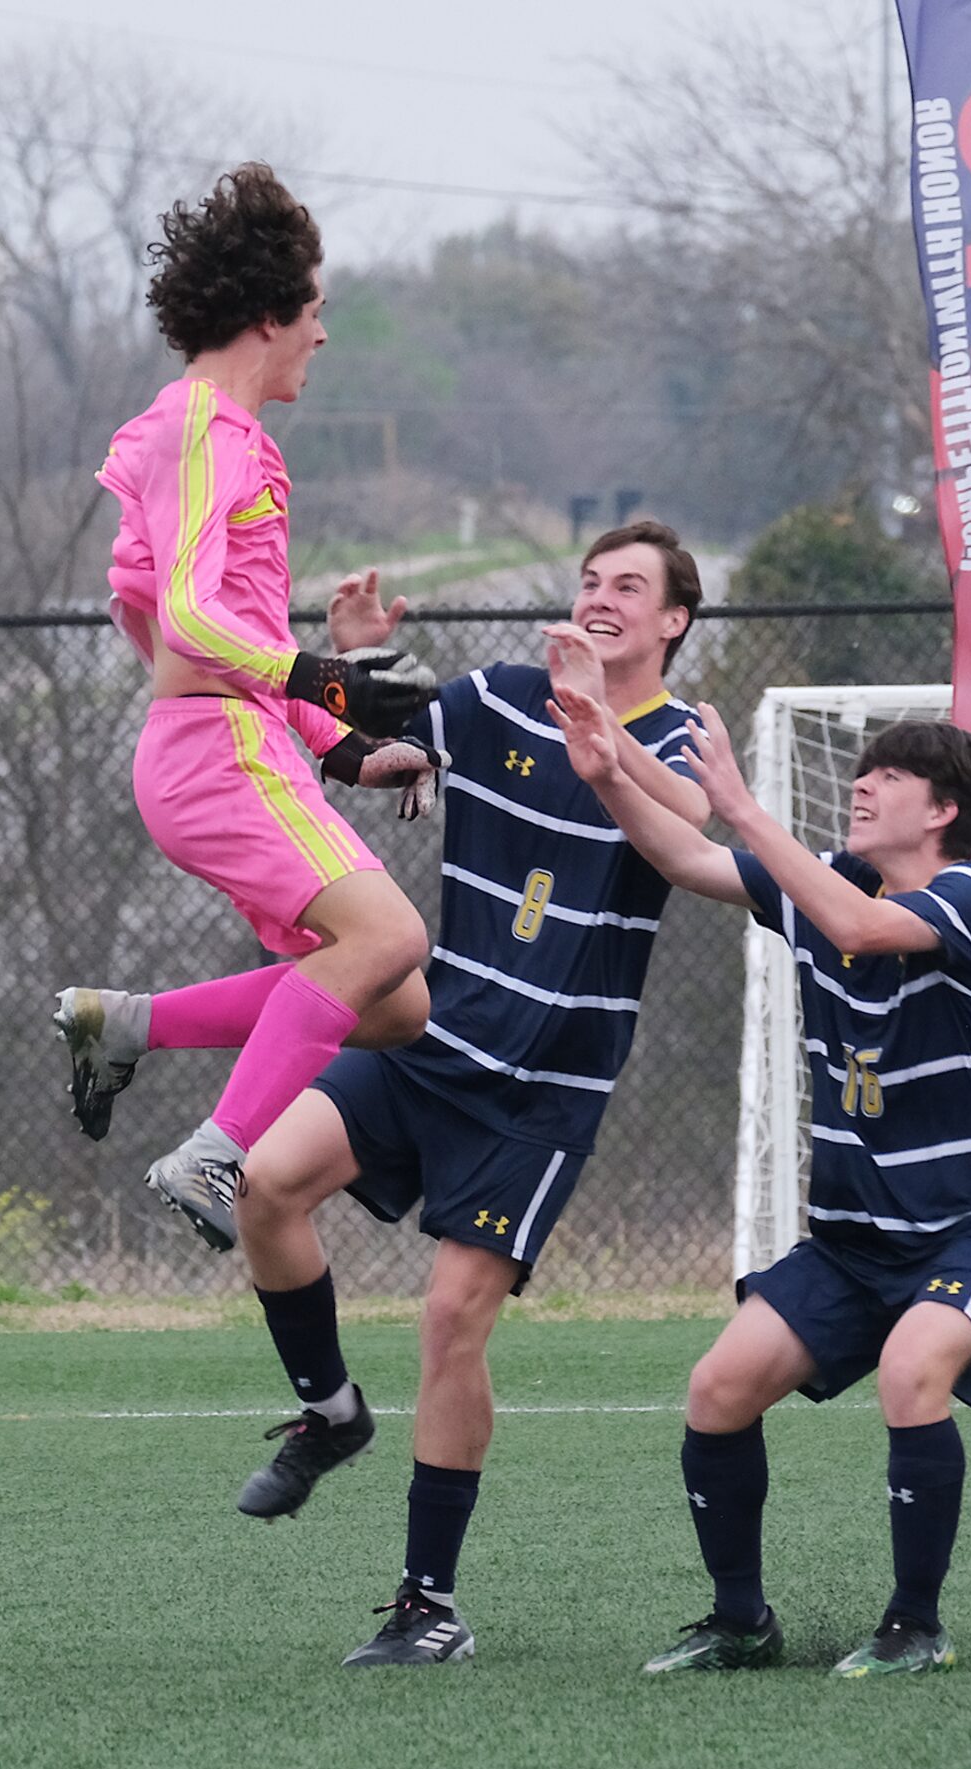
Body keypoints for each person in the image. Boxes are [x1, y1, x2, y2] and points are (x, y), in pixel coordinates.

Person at [195, 522, 707, 1668]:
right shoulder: (497, 695)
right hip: (431, 1030)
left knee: (450, 1320)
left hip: (544, 1090)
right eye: (590, 581)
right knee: (264, 1184)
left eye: (631, 586)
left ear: (674, 620)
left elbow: (693, 832)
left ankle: (428, 1604)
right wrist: (340, 663)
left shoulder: (681, 737)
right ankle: (329, 1413)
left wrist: (603, 742)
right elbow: (348, 749)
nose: (602, 596)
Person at [548, 682, 971, 1678]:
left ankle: (916, 1626)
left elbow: (860, 929)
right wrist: (608, 774)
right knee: (719, 1388)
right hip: (856, 1239)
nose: (862, 786)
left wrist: (741, 805)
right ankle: (742, 1621)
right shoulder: (825, 885)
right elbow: (688, 858)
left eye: (890, 775)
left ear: (943, 812)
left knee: (915, 1372)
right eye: (863, 771)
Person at [60, 162, 442, 1253]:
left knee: (396, 1000)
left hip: (227, 744)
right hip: (215, 752)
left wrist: (343, 745)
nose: (323, 336)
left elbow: (166, 616)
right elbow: (185, 617)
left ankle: (123, 1023)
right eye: (316, 312)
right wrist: (324, 680)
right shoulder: (199, 429)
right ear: (270, 314)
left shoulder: (216, 438)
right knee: (395, 933)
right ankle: (215, 1153)